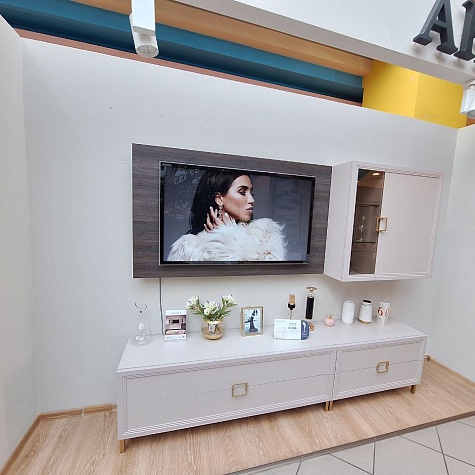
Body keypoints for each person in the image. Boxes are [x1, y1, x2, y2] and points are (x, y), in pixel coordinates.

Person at [167, 169, 287, 261]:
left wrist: (228, 235)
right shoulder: (189, 247)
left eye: (252, 193)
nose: (251, 200)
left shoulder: (265, 234)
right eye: (242, 192)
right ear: (219, 199)